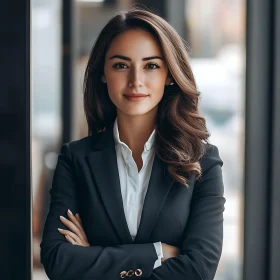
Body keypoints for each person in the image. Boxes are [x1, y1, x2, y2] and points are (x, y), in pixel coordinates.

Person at [40, 7, 226, 280]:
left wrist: (94, 256)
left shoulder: (203, 162)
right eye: (121, 65)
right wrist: (157, 253)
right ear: (103, 73)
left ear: (170, 74)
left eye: (151, 65)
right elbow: (58, 261)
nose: (135, 81)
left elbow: (198, 269)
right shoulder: (75, 159)